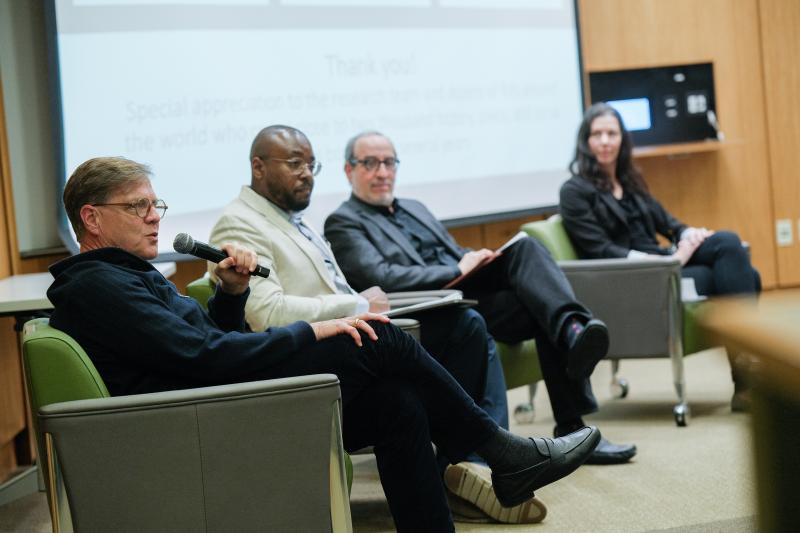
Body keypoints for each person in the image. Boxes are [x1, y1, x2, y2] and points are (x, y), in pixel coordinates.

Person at [47, 156, 600, 532]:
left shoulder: (125, 276)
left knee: (396, 405)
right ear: (91, 219)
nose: (154, 218)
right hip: (201, 427)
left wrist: (231, 295)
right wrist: (312, 332)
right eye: (137, 207)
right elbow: (203, 360)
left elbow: (204, 342)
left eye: (155, 205)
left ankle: (494, 466)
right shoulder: (100, 286)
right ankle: (502, 453)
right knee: (378, 337)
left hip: (217, 403)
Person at [207, 125, 535, 523]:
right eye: (295, 163)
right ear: (258, 167)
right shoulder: (238, 224)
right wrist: (358, 303)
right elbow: (266, 314)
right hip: (302, 360)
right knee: (458, 331)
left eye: (312, 164)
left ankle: (467, 464)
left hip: (349, 338)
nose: (307, 173)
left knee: (451, 338)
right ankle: (488, 453)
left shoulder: (297, 220)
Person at [324, 131, 636, 464]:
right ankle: (571, 332)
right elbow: (381, 277)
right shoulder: (344, 221)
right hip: (430, 310)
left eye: (388, 162)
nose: (382, 172)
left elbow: (455, 252)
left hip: (467, 291)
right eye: (370, 163)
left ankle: (571, 413)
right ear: (348, 170)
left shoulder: (414, 207)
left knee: (531, 267)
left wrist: (478, 257)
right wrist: (456, 268)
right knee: (531, 281)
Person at [560, 102, 761, 411]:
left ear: (622, 139)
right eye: (596, 134)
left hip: (667, 261)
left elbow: (669, 223)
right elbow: (598, 249)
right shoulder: (574, 191)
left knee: (727, 243)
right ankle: (746, 378)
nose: (604, 141)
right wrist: (667, 261)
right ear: (585, 141)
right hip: (639, 277)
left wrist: (688, 235)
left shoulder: (630, 181)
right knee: (745, 276)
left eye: (611, 133)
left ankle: (746, 366)